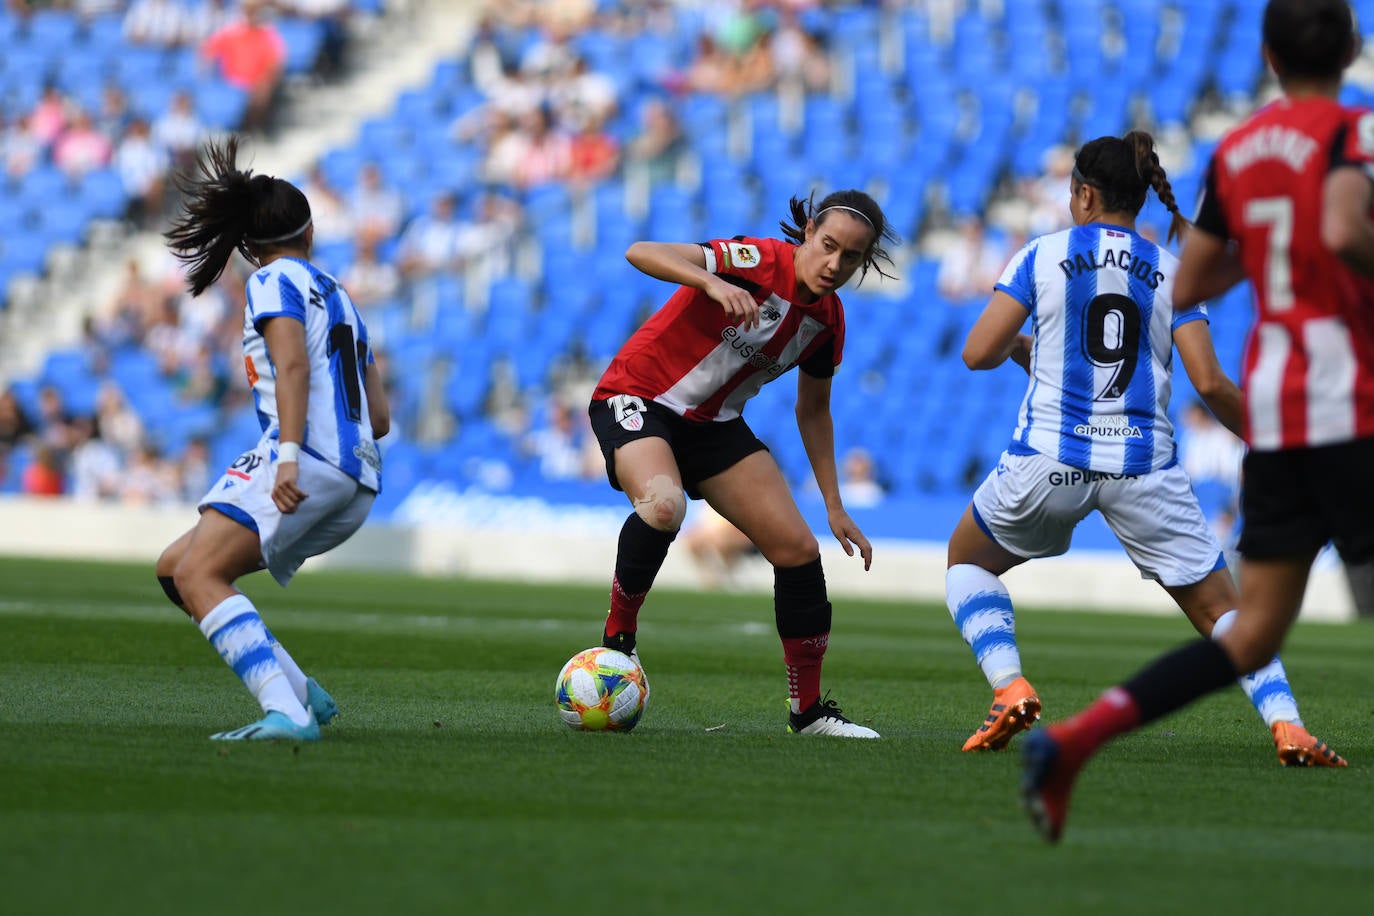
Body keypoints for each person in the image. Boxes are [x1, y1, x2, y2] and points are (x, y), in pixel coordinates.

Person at [1020, 0, 1367, 843]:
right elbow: (1344, 226)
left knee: (1248, 635)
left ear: (1269, 59)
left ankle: (1072, 740)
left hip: (1280, 411)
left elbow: (1195, 282)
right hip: (1351, 401)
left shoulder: (1239, 151)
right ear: (1353, 49)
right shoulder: (1353, 133)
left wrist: (1267, 255)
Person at [943, 128, 1340, 768]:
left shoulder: (1041, 255)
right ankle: (1288, 725)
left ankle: (1009, 685)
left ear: (1084, 195)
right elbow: (1210, 384)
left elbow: (976, 352)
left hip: (1051, 459)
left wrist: (1028, 350)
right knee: (1222, 613)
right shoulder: (1173, 271)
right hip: (1144, 468)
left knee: (968, 562)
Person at [588, 189, 898, 738]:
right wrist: (710, 281)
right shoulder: (756, 260)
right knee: (664, 508)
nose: (834, 265)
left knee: (798, 552)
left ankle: (806, 714)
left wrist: (834, 503)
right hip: (639, 396)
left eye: (850, 257)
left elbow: (814, 410)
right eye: (828, 246)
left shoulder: (827, 322)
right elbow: (641, 250)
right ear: (808, 234)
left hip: (714, 426)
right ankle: (618, 645)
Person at [153, 136, 390, 741]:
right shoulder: (341, 296)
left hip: (302, 459)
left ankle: (287, 713)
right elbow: (381, 415)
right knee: (176, 567)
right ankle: (304, 693)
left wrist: (286, 456)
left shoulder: (271, 280)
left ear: (247, 249)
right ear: (311, 233)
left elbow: (293, 366)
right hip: (358, 475)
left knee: (199, 577)